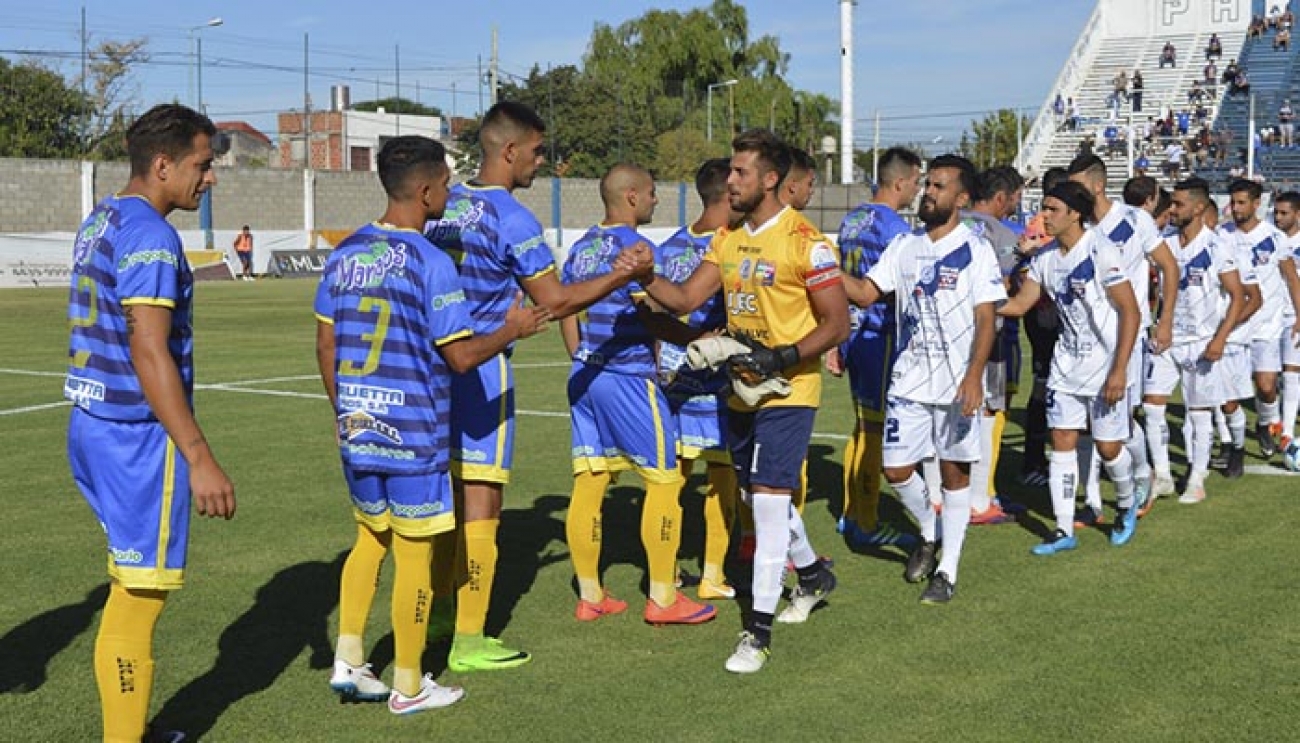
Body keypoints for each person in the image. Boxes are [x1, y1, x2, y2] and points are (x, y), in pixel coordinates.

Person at [316, 136, 550, 715]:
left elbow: (325, 342)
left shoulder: (345, 253)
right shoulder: (430, 262)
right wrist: (512, 330)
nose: (451, 192)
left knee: (369, 539)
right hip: (413, 430)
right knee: (415, 556)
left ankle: (349, 660)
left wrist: (344, 409)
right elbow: (463, 357)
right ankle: (410, 684)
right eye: (446, 184)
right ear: (424, 192)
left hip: (358, 423)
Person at [423, 101, 651, 671]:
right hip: (483, 369)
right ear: (509, 151)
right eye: (537, 150)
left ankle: (442, 621)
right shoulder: (513, 219)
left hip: (432, 369)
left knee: (445, 504)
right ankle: (470, 639)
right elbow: (555, 301)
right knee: (482, 503)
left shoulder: (441, 204)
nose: (541, 161)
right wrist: (621, 274)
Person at [630, 128, 847, 673]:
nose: (730, 180)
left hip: (789, 389)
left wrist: (784, 357)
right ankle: (815, 576)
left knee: (769, 503)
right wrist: (646, 276)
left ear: (770, 180)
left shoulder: (806, 242)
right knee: (756, 496)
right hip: (741, 389)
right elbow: (684, 298)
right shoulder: (726, 238)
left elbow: (837, 322)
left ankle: (758, 632)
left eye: (741, 172)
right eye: (730, 171)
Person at [64, 103, 236, 743]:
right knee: (140, 597)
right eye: (202, 164)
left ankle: (129, 728)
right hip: (136, 438)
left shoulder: (102, 218)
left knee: (125, 584)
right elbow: (148, 348)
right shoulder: (152, 236)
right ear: (162, 165)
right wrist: (198, 456)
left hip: (90, 421)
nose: (209, 178)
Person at [560, 163, 717, 627]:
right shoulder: (638, 250)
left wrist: (580, 354)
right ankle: (665, 598)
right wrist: (697, 340)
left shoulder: (583, 245)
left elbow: (568, 305)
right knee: (666, 482)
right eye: (650, 193)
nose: (655, 201)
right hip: (629, 379)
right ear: (630, 196)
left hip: (586, 374)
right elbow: (655, 315)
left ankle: (590, 594)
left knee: (590, 482)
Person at [844, 154, 1006, 604]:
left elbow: (987, 317)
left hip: (957, 384)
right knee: (895, 469)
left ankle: (948, 571)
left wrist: (975, 376)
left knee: (954, 473)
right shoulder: (905, 246)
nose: (928, 192)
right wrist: (819, 268)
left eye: (938, 186)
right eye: (927, 184)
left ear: (962, 198)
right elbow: (863, 293)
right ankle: (929, 532)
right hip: (910, 380)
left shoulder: (975, 249)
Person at [998, 181, 1143, 554]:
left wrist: (1119, 369)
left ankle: (1126, 504)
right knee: (1061, 441)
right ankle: (1064, 530)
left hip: (1106, 364)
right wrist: (976, 300)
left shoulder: (1100, 249)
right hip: (1066, 366)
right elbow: (1018, 305)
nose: (1043, 215)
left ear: (1075, 214)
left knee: (1109, 448)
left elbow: (1131, 310)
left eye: (1052, 209)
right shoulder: (1045, 259)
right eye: (1044, 208)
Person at [647, 159, 740, 600]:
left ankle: (665, 573)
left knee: (672, 478)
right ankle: (713, 574)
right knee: (721, 476)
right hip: (714, 374)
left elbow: (653, 315)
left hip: (668, 374)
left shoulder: (668, 246)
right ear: (728, 194)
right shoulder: (730, 246)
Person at [1067, 155, 1179, 519]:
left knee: (1119, 419)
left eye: (1079, 185)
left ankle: (1143, 475)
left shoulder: (1134, 220)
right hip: (1083, 339)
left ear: (1098, 185)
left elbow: (1168, 266)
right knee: (1085, 422)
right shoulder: (1077, 226)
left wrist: (1165, 321)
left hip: (1126, 336)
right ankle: (1092, 501)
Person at [832, 146, 924, 548]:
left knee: (862, 424)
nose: (918, 191)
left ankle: (852, 512)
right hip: (880, 333)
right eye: (918, 183)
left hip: (854, 332)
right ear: (901, 182)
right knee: (874, 428)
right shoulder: (895, 229)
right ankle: (866, 524)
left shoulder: (851, 219)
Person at [1143, 178, 1247, 504]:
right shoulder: (1166, 242)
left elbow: (1238, 296)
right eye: (1171, 204)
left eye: (1178, 204)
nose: (1172, 210)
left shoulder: (1217, 247)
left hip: (1201, 342)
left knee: (1199, 413)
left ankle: (1197, 478)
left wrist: (1219, 339)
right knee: (1151, 406)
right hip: (1167, 338)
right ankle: (1161, 474)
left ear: (1199, 207)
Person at [960, 166, 1026, 525]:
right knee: (988, 413)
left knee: (953, 412)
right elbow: (999, 287)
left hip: (949, 338)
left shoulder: (951, 223)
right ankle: (980, 498)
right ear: (1000, 197)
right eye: (1014, 198)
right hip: (990, 337)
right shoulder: (1002, 233)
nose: (1014, 205)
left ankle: (947, 495)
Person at [1218, 180, 1289, 466]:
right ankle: (1229, 443)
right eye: (1233, 203)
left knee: (1267, 385)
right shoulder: (1221, 235)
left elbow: (1291, 278)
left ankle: (1265, 423)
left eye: (1241, 203)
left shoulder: (1274, 237)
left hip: (1266, 323)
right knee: (1227, 391)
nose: (1235, 209)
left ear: (1257, 203)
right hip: (1234, 324)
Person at [1015, 167, 1070, 486]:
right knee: (1046, 383)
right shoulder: (1047, 226)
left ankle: (1042, 456)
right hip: (1045, 315)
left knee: (1048, 382)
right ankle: (1034, 460)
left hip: (1043, 313)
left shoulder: (1040, 224)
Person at [1272, 192, 1300, 450]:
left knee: (1291, 372)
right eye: (1276, 212)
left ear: (1297, 214)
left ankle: (1287, 432)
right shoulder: (1271, 240)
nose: (1278, 217)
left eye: (1284, 213)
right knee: (1267, 379)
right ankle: (1270, 422)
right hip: (1269, 316)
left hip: (1294, 315)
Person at [782, 147, 818, 211]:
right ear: (793, 186)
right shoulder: (796, 221)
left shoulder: (761, 217)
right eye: (809, 184)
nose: (812, 191)